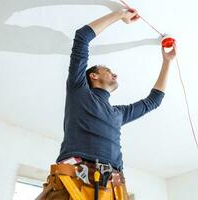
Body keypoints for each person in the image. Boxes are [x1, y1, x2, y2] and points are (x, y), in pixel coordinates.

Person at [37, 8, 176, 200]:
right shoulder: (79, 90)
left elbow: (153, 101)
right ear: (93, 76)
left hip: (113, 188)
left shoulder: (118, 113)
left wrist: (167, 62)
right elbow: (82, 37)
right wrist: (120, 15)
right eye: (108, 70)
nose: (115, 74)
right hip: (73, 183)